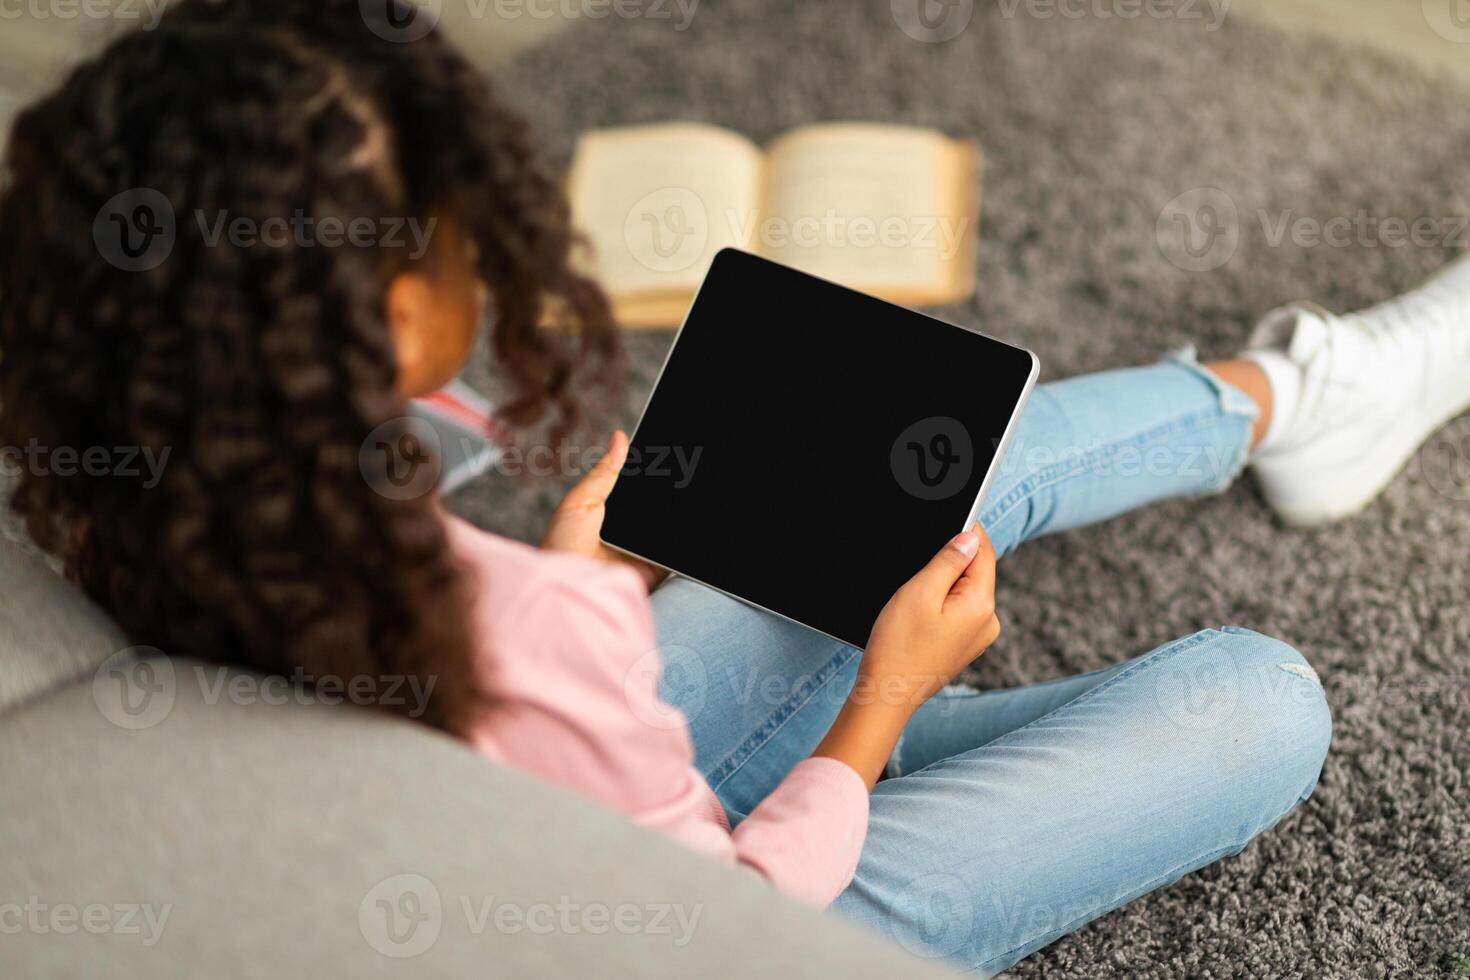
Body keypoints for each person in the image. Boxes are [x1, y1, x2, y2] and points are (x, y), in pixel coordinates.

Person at [1, 1, 1463, 974]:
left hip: (541, 790)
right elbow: (719, 914)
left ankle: (1294, 398)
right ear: (392, 317)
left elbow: (493, 719)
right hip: (704, 910)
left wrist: (572, 593)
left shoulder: (130, 501)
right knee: (1261, 699)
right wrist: (877, 708)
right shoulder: (529, 635)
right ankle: (1288, 409)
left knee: (907, 489)